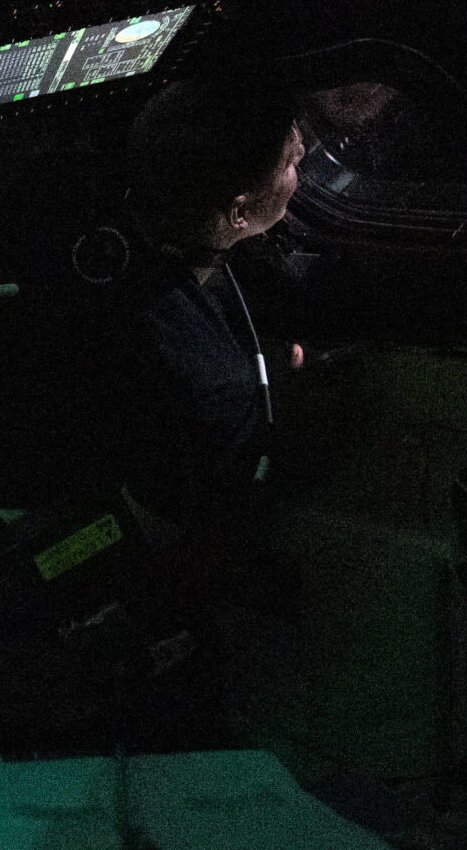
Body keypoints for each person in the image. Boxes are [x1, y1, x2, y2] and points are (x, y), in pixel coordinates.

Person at [93, 78, 310, 532]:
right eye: (290, 160)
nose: (304, 154)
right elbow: (210, 495)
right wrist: (278, 371)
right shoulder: (217, 382)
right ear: (239, 213)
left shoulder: (128, 205)